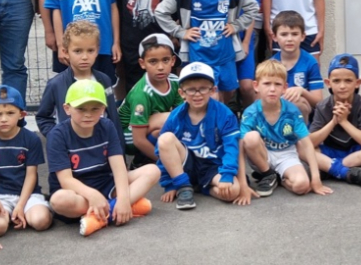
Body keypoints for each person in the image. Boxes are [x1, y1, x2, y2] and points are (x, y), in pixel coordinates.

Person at [45, 80, 159, 236]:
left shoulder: (107, 126)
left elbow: (119, 167)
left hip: (106, 184)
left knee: (152, 170)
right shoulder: (57, 135)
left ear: (103, 109)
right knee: (58, 200)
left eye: (95, 108)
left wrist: (124, 198)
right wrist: (93, 195)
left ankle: (105, 213)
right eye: (81, 108)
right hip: (78, 194)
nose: (88, 114)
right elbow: (66, 181)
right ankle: (120, 208)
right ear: (67, 109)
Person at [156, 0, 260, 104]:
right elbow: (160, 12)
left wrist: (236, 25)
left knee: (228, 91)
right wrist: (181, 32)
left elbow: (253, 7)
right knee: (209, 96)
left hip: (225, 53)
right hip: (198, 55)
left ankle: (220, 124)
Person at [155, 62, 252, 209]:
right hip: (187, 163)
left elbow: (232, 148)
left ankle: (203, 187)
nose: (197, 94)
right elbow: (161, 151)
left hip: (212, 166)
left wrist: (227, 174)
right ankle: (183, 186)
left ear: (212, 90)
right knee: (165, 139)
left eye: (203, 89)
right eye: (191, 90)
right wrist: (169, 182)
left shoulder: (225, 114)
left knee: (233, 191)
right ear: (182, 93)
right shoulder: (176, 116)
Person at [240, 59, 332, 197]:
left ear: (284, 88)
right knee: (250, 138)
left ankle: (278, 179)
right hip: (262, 155)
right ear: (256, 86)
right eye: (266, 84)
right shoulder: (250, 112)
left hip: (286, 154)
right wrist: (242, 186)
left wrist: (315, 178)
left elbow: (307, 144)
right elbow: (241, 147)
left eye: (277, 84)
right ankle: (267, 173)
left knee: (302, 186)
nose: (272, 89)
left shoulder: (292, 111)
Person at [0, 85, 52, 235]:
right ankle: (11, 215)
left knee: (40, 221)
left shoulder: (31, 139)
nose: (4, 119)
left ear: (21, 114)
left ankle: (31, 210)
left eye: (10, 113)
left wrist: (20, 205)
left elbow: (31, 175)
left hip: (27, 195)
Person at [34, 21, 119, 139]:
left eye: (90, 50)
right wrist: (58, 138)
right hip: (71, 151)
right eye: (78, 51)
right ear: (65, 52)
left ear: (97, 50)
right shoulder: (56, 84)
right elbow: (43, 117)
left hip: (101, 146)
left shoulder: (104, 80)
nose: (85, 57)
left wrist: (119, 148)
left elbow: (113, 116)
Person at [310, 54, 361, 188]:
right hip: (331, 150)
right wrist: (333, 121)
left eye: (348, 81)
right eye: (337, 81)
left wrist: (343, 121)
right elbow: (311, 141)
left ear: (357, 83)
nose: (342, 86)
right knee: (301, 148)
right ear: (328, 83)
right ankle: (346, 172)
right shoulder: (322, 106)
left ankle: (330, 168)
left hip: (355, 153)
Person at [118, 33, 181, 165]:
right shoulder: (142, 93)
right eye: (153, 61)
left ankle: (150, 157)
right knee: (168, 119)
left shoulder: (175, 82)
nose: (160, 67)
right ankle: (143, 159)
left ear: (173, 61)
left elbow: (183, 114)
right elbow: (138, 140)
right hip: (128, 135)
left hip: (149, 127)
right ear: (142, 63)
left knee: (177, 118)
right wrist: (167, 162)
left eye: (165, 60)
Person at [268, 11, 325, 117]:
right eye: (284, 34)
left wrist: (302, 91)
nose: (289, 39)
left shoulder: (310, 62)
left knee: (297, 103)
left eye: (294, 34)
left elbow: (319, 102)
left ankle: (301, 133)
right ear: (274, 37)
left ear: (303, 36)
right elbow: (262, 98)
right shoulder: (271, 65)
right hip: (277, 114)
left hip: (304, 118)